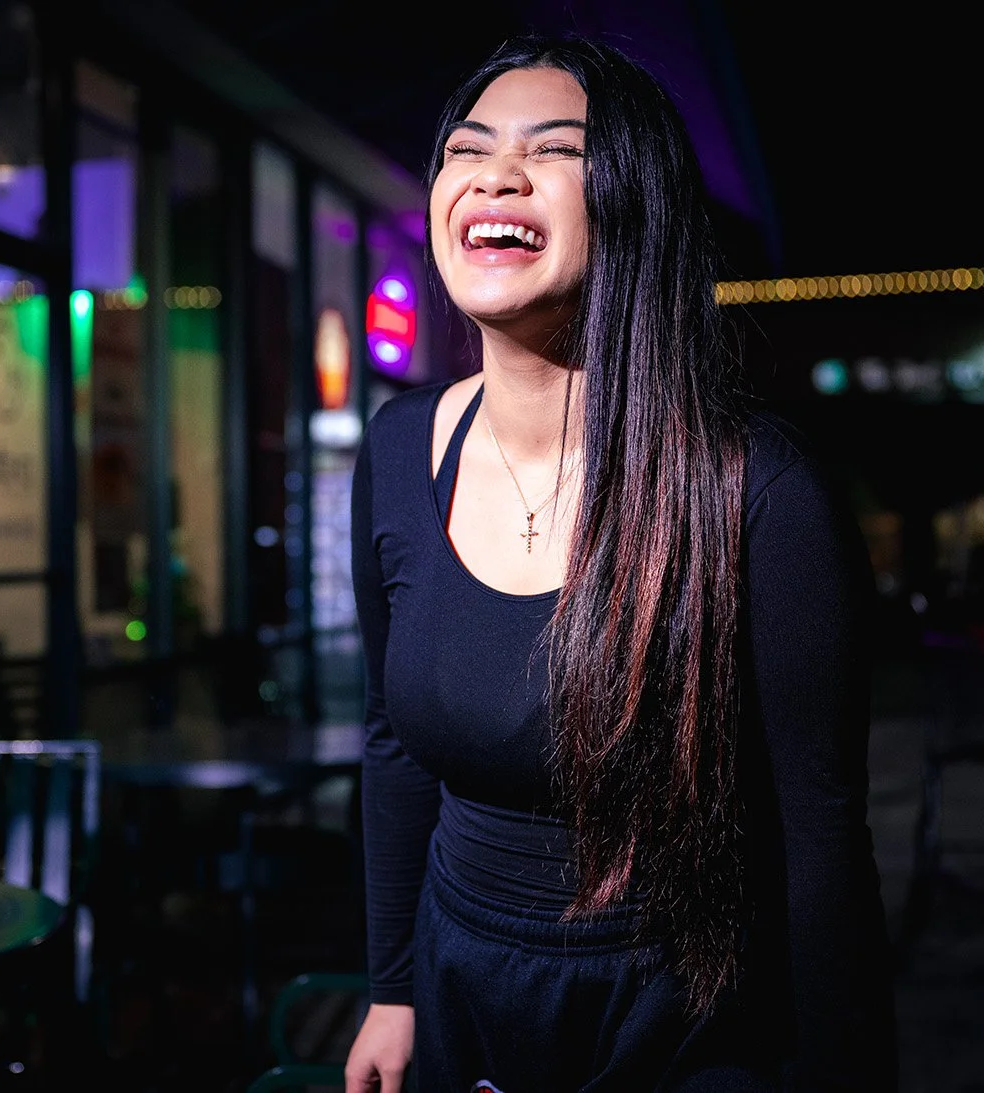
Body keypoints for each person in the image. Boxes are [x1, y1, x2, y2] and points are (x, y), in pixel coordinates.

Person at [345, 32, 898, 1093]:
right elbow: (393, 746)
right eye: (466, 151)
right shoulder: (395, 450)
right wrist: (393, 986)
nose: (495, 173)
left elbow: (820, 838)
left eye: (551, 150)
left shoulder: (754, 488)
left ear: (634, 201)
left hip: (681, 1014)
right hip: (462, 987)